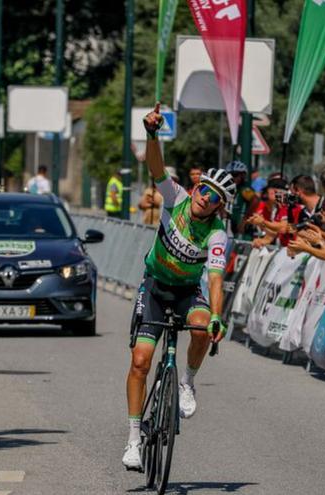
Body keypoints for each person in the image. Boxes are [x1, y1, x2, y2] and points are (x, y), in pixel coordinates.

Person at [123, 104, 233, 471]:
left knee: (204, 327)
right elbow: (156, 168)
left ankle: (186, 381)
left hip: (188, 292)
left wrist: (217, 315)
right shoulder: (176, 199)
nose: (205, 196)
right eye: (204, 188)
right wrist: (152, 134)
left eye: (214, 196)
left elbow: (215, 278)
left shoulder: (217, 234)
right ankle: (134, 439)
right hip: (154, 287)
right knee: (140, 361)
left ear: (220, 206)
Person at [224, 160, 258, 237]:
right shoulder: (228, 188)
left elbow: (255, 200)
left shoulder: (244, 189)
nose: (232, 177)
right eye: (230, 175)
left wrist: (245, 220)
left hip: (240, 229)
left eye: (235, 175)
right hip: (229, 226)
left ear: (242, 176)